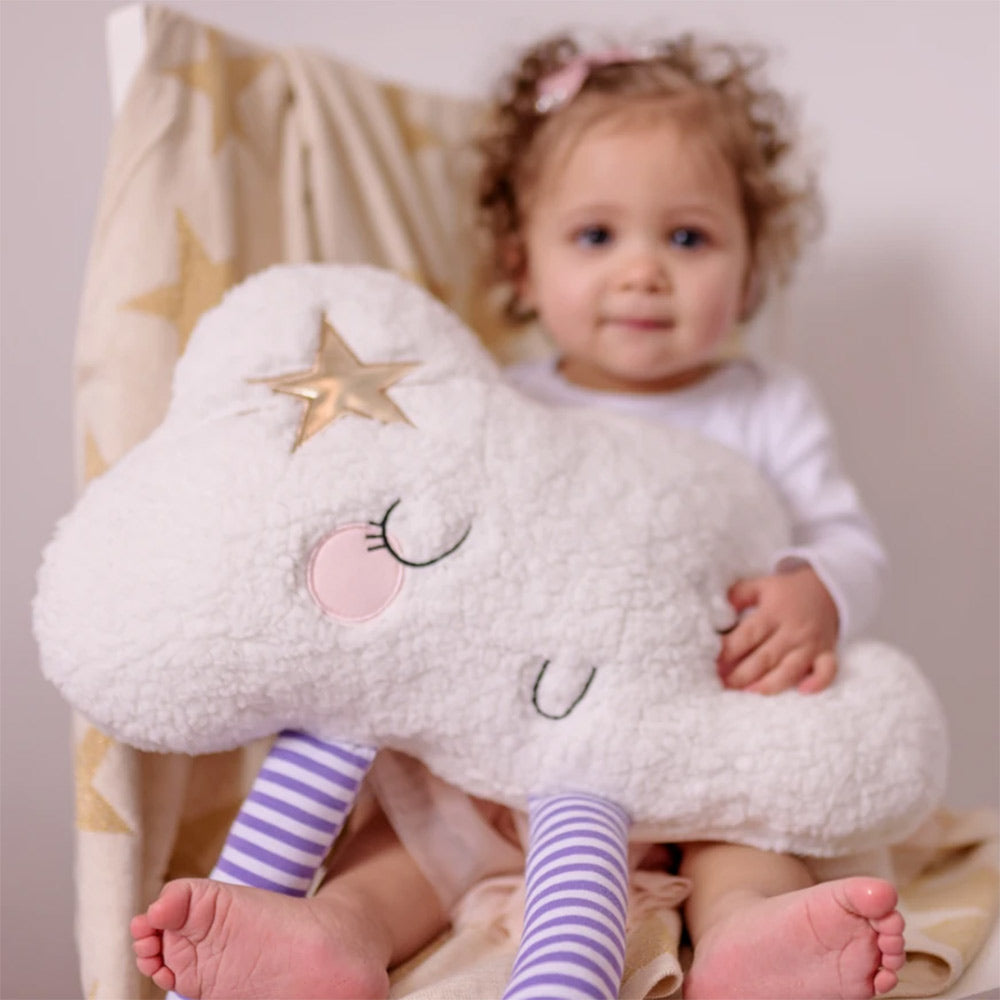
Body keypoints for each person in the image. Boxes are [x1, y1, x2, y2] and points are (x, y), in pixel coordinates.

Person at [130, 32, 907, 1000]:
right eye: (596, 236)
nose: (642, 272)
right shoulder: (504, 402)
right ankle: (336, 932)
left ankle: (748, 936)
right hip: (511, 742)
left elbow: (844, 535)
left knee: (747, 834)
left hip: (691, 724)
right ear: (522, 265)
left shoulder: (764, 403)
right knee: (415, 833)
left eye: (687, 238)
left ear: (750, 268)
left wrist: (815, 590)